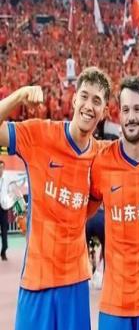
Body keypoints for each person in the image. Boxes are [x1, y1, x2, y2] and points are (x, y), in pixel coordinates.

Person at [0, 67, 111, 330]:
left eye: (97, 101)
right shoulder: (40, 134)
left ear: (104, 111)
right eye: (84, 96)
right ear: (74, 99)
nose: (89, 106)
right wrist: (20, 95)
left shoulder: (102, 155)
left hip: (75, 284)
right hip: (37, 282)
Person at [88, 76, 139, 330]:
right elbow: (81, 213)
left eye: (137, 109)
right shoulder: (102, 161)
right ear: (119, 115)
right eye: (125, 110)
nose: (131, 117)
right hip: (114, 304)